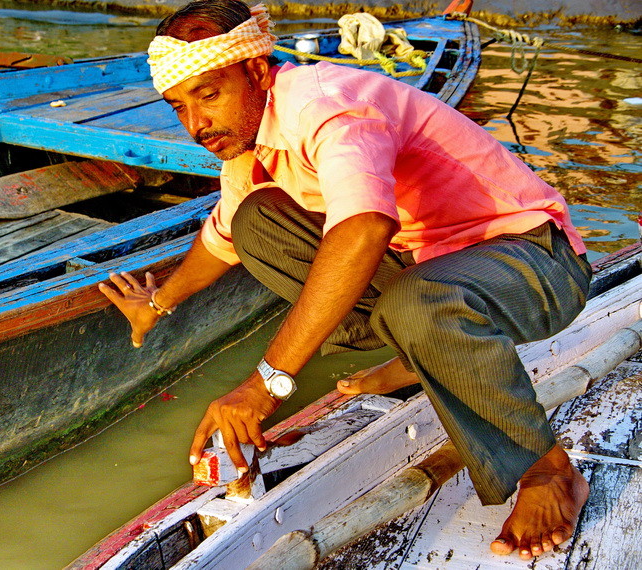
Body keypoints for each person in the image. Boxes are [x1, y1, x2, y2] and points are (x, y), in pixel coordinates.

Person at [98, 0, 592, 560]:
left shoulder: (327, 106)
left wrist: (264, 387)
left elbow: (363, 227)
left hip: (534, 262)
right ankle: (420, 354)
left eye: (209, 95)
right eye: (178, 107)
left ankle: (547, 470)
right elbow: (224, 240)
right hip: (429, 270)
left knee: (414, 298)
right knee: (257, 219)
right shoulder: (246, 142)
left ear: (257, 72)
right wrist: (158, 302)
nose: (196, 125)